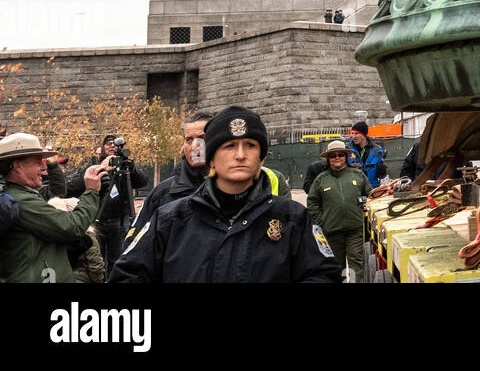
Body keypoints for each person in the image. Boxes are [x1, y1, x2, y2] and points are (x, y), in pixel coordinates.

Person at [110, 105, 338, 283]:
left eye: (249, 145)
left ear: (261, 156)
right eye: (229, 146)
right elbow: (128, 274)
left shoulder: (293, 219)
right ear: (211, 157)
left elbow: (323, 275)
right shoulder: (169, 219)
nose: (240, 155)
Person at [0, 132, 108, 283]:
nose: (44, 167)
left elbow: (56, 191)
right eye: (38, 161)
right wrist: (91, 191)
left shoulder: (24, 195)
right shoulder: (21, 201)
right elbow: (73, 226)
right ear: (17, 166)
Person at [66, 133, 149, 274]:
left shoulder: (124, 167)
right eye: (108, 143)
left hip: (119, 221)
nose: (112, 146)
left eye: (114, 144)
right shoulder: (94, 167)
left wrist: (132, 168)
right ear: (102, 148)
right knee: (97, 259)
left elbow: (142, 182)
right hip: (97, 221)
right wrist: (100, 168)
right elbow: (72, 188)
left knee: (117, 260)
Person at [306, 140, 369, 283]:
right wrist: (322, 221)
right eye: (333, 155)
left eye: (341, 154)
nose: (337, 158)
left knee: (356, 263)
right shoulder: (321, 180)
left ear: (346, 157)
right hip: (332, 232)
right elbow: (312, 202)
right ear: (328, 159)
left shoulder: (358, 175)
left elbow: (371, 196)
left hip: (356, 231)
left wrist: (363, 212)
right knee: (335, 266)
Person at [347, 121, 389, 189]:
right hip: (354, 190)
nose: (353, 136)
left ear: (364, 134)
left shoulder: (377, 150)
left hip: (372, 190)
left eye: (356, 133)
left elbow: (383, 175)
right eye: (352, 133)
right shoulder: (347, 150)